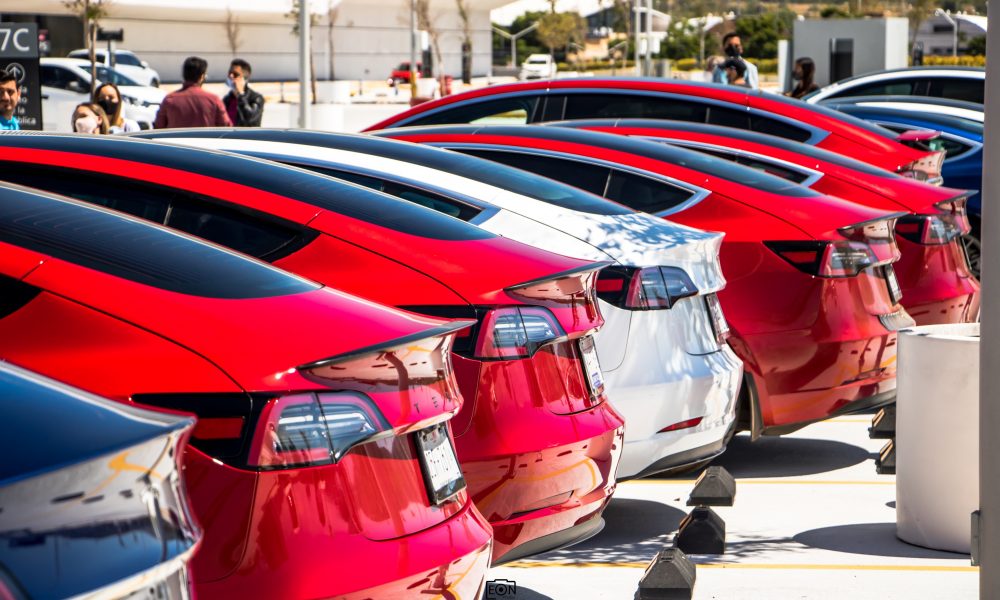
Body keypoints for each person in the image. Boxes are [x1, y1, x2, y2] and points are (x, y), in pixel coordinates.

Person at [153, 56, 232, 129]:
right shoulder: (213, 100)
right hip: (205, 144)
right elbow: (227, 127)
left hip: (174, 144)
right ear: (202, 77)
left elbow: (158, 127)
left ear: (184, 75)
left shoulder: (169, 100)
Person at [222, 58, 265, 127]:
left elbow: (250, 119)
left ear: (244, 79)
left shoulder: (256, 98)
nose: (231, 76)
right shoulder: (227, 99)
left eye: (235, 74)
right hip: (229, 137)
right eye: (230, 73)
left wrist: (240, 94)